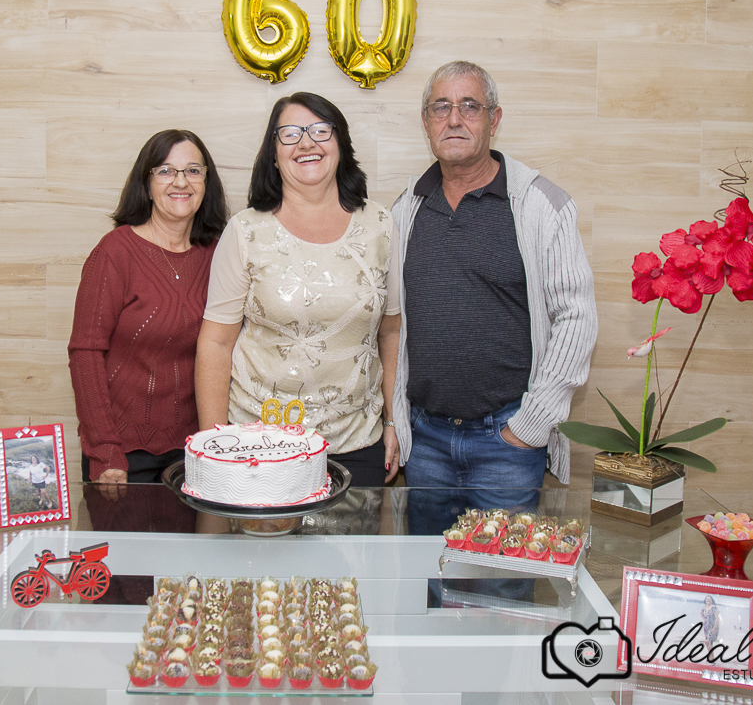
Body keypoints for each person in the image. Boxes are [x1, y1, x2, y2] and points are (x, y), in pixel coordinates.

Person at [391, 61, 597, 525]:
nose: (454, 119)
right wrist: (399, 425)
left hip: (507, 440)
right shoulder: (406, 211)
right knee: (424, 584)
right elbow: (392, 327)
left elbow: (577, 318)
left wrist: (529, 427)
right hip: (425, 445)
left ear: (494, 119)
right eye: (441, 107)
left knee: (499, 587)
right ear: (426, 122)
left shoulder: (542, 205)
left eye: (470, 106)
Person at [195, 92, 401, 488]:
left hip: (356, 442)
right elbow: (216, 344)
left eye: (320, 130)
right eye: (290, 134)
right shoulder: (246, 231)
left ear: (340, 144)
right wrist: (214, 444)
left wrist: (393, 422)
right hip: (258, 445)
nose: (306, 142)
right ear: (273, 155)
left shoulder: (379, 224)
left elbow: (390, 332)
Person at [68, 130, 229, 495]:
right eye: (165, 171)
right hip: (123, 455)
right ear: (147, 181)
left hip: (196, 453)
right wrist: (104, 450)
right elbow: (85, 354)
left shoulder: (219, 254)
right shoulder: (115, 252)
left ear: (207, 181)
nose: (180, 182)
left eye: (192, 171)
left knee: (199, 553)